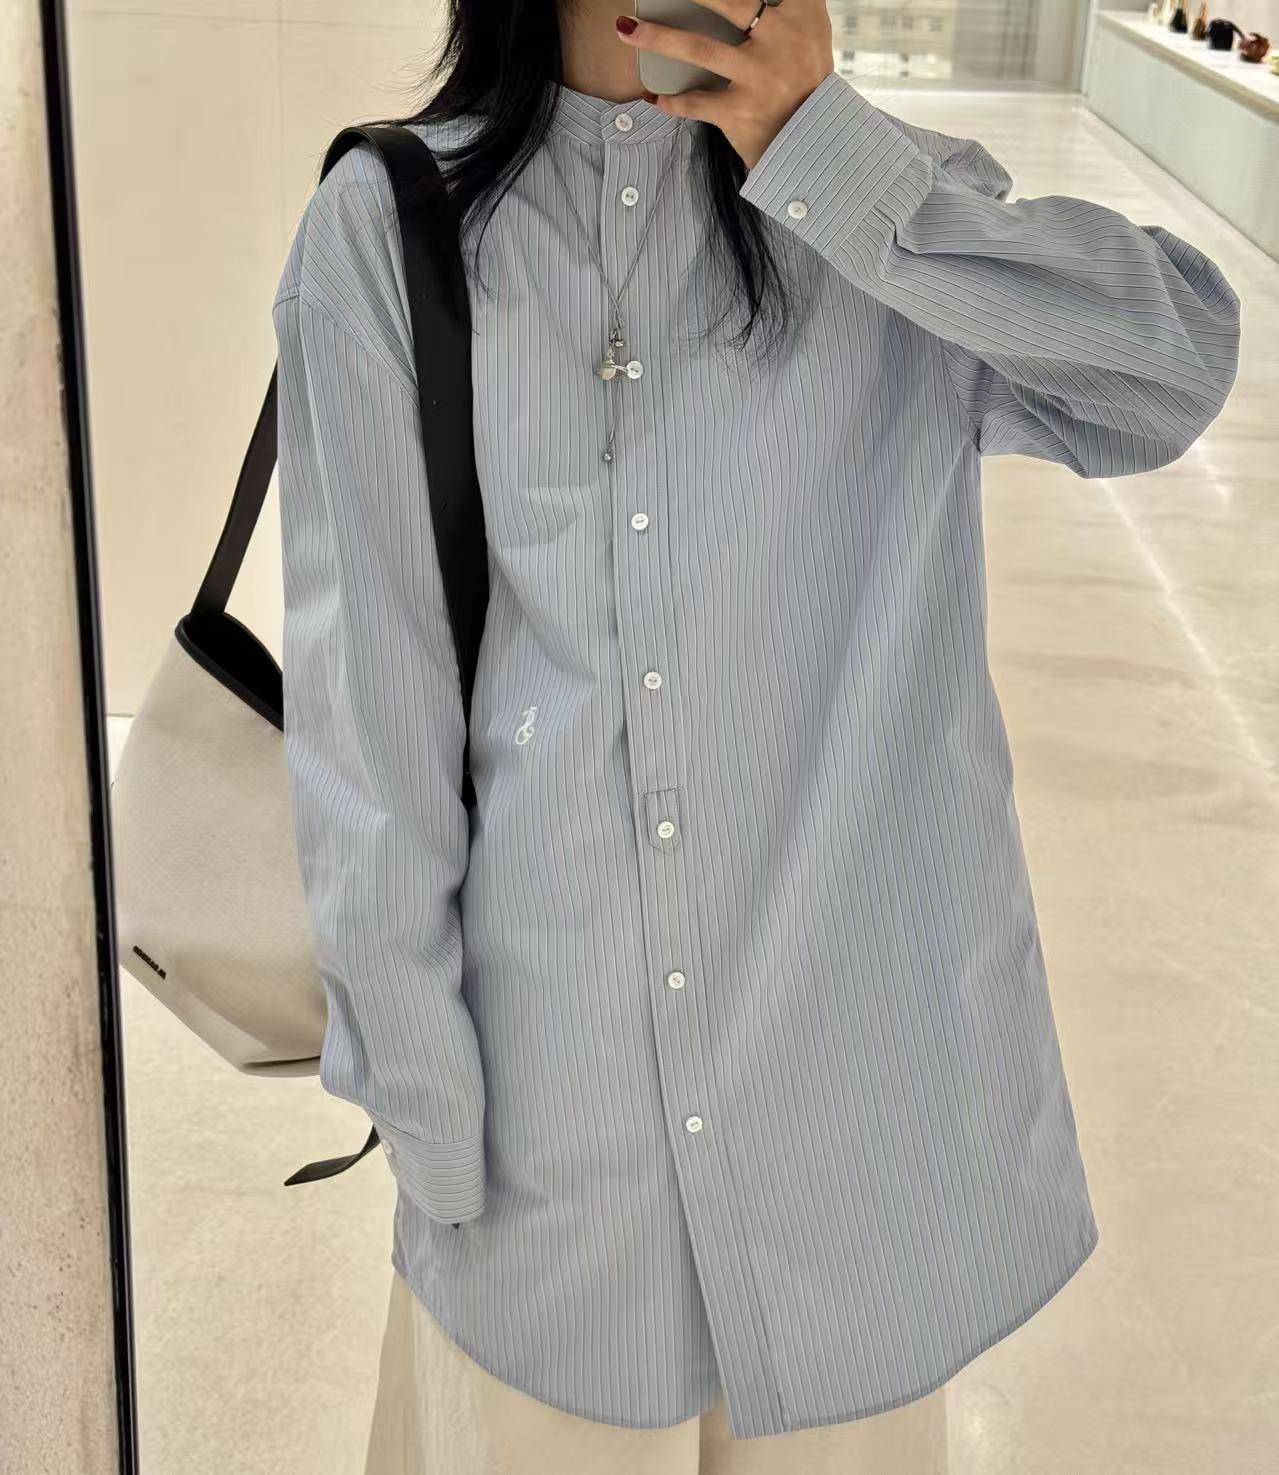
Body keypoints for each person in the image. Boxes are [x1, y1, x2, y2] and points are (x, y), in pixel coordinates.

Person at [271, 1, 1241, 1470]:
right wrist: (432, 1120)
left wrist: (829, 160)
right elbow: (370, 720)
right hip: (552, 1138)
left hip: (849, 1141)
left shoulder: (882, 211)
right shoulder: (391, 227)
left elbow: (1170, 372)